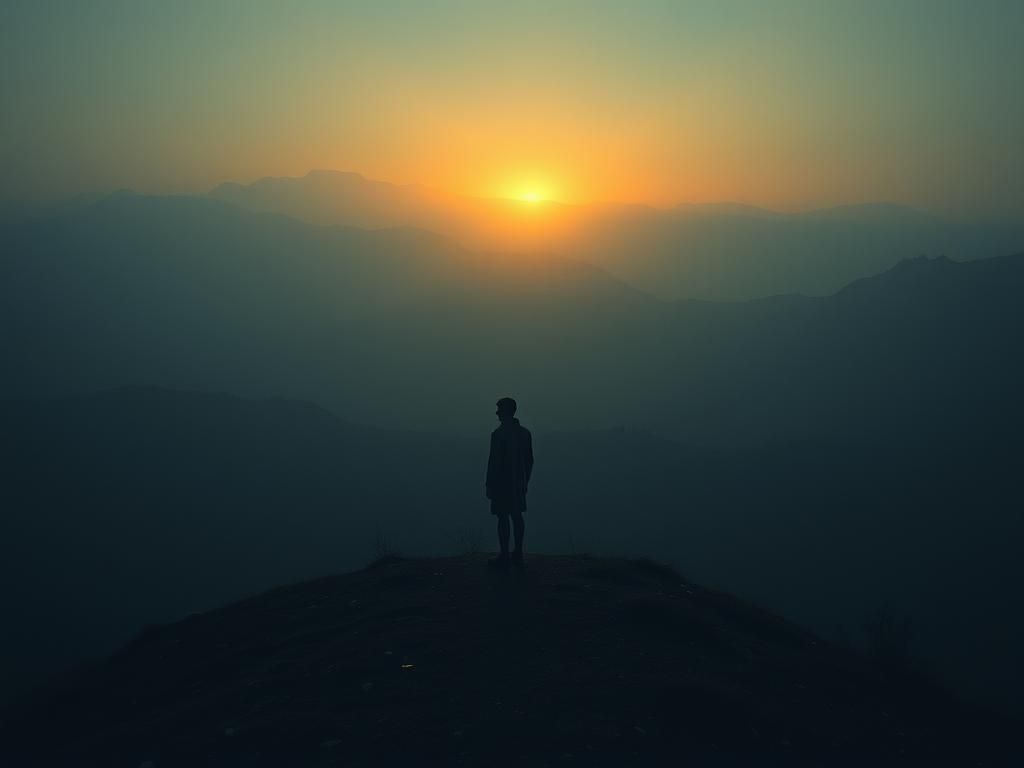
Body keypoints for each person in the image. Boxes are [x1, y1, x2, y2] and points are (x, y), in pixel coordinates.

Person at [486, 397, 533, 567]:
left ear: (505, 411)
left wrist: (490, 484)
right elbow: (529, 461)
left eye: (499, 409)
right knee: (517, 516)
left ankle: (505, 554)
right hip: (519, 482)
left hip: (501, 483)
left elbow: (494, 463)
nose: (497, 413)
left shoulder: (498, 435)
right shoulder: (525, 434)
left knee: (503, 517)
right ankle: (518, 551)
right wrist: (524, 479)